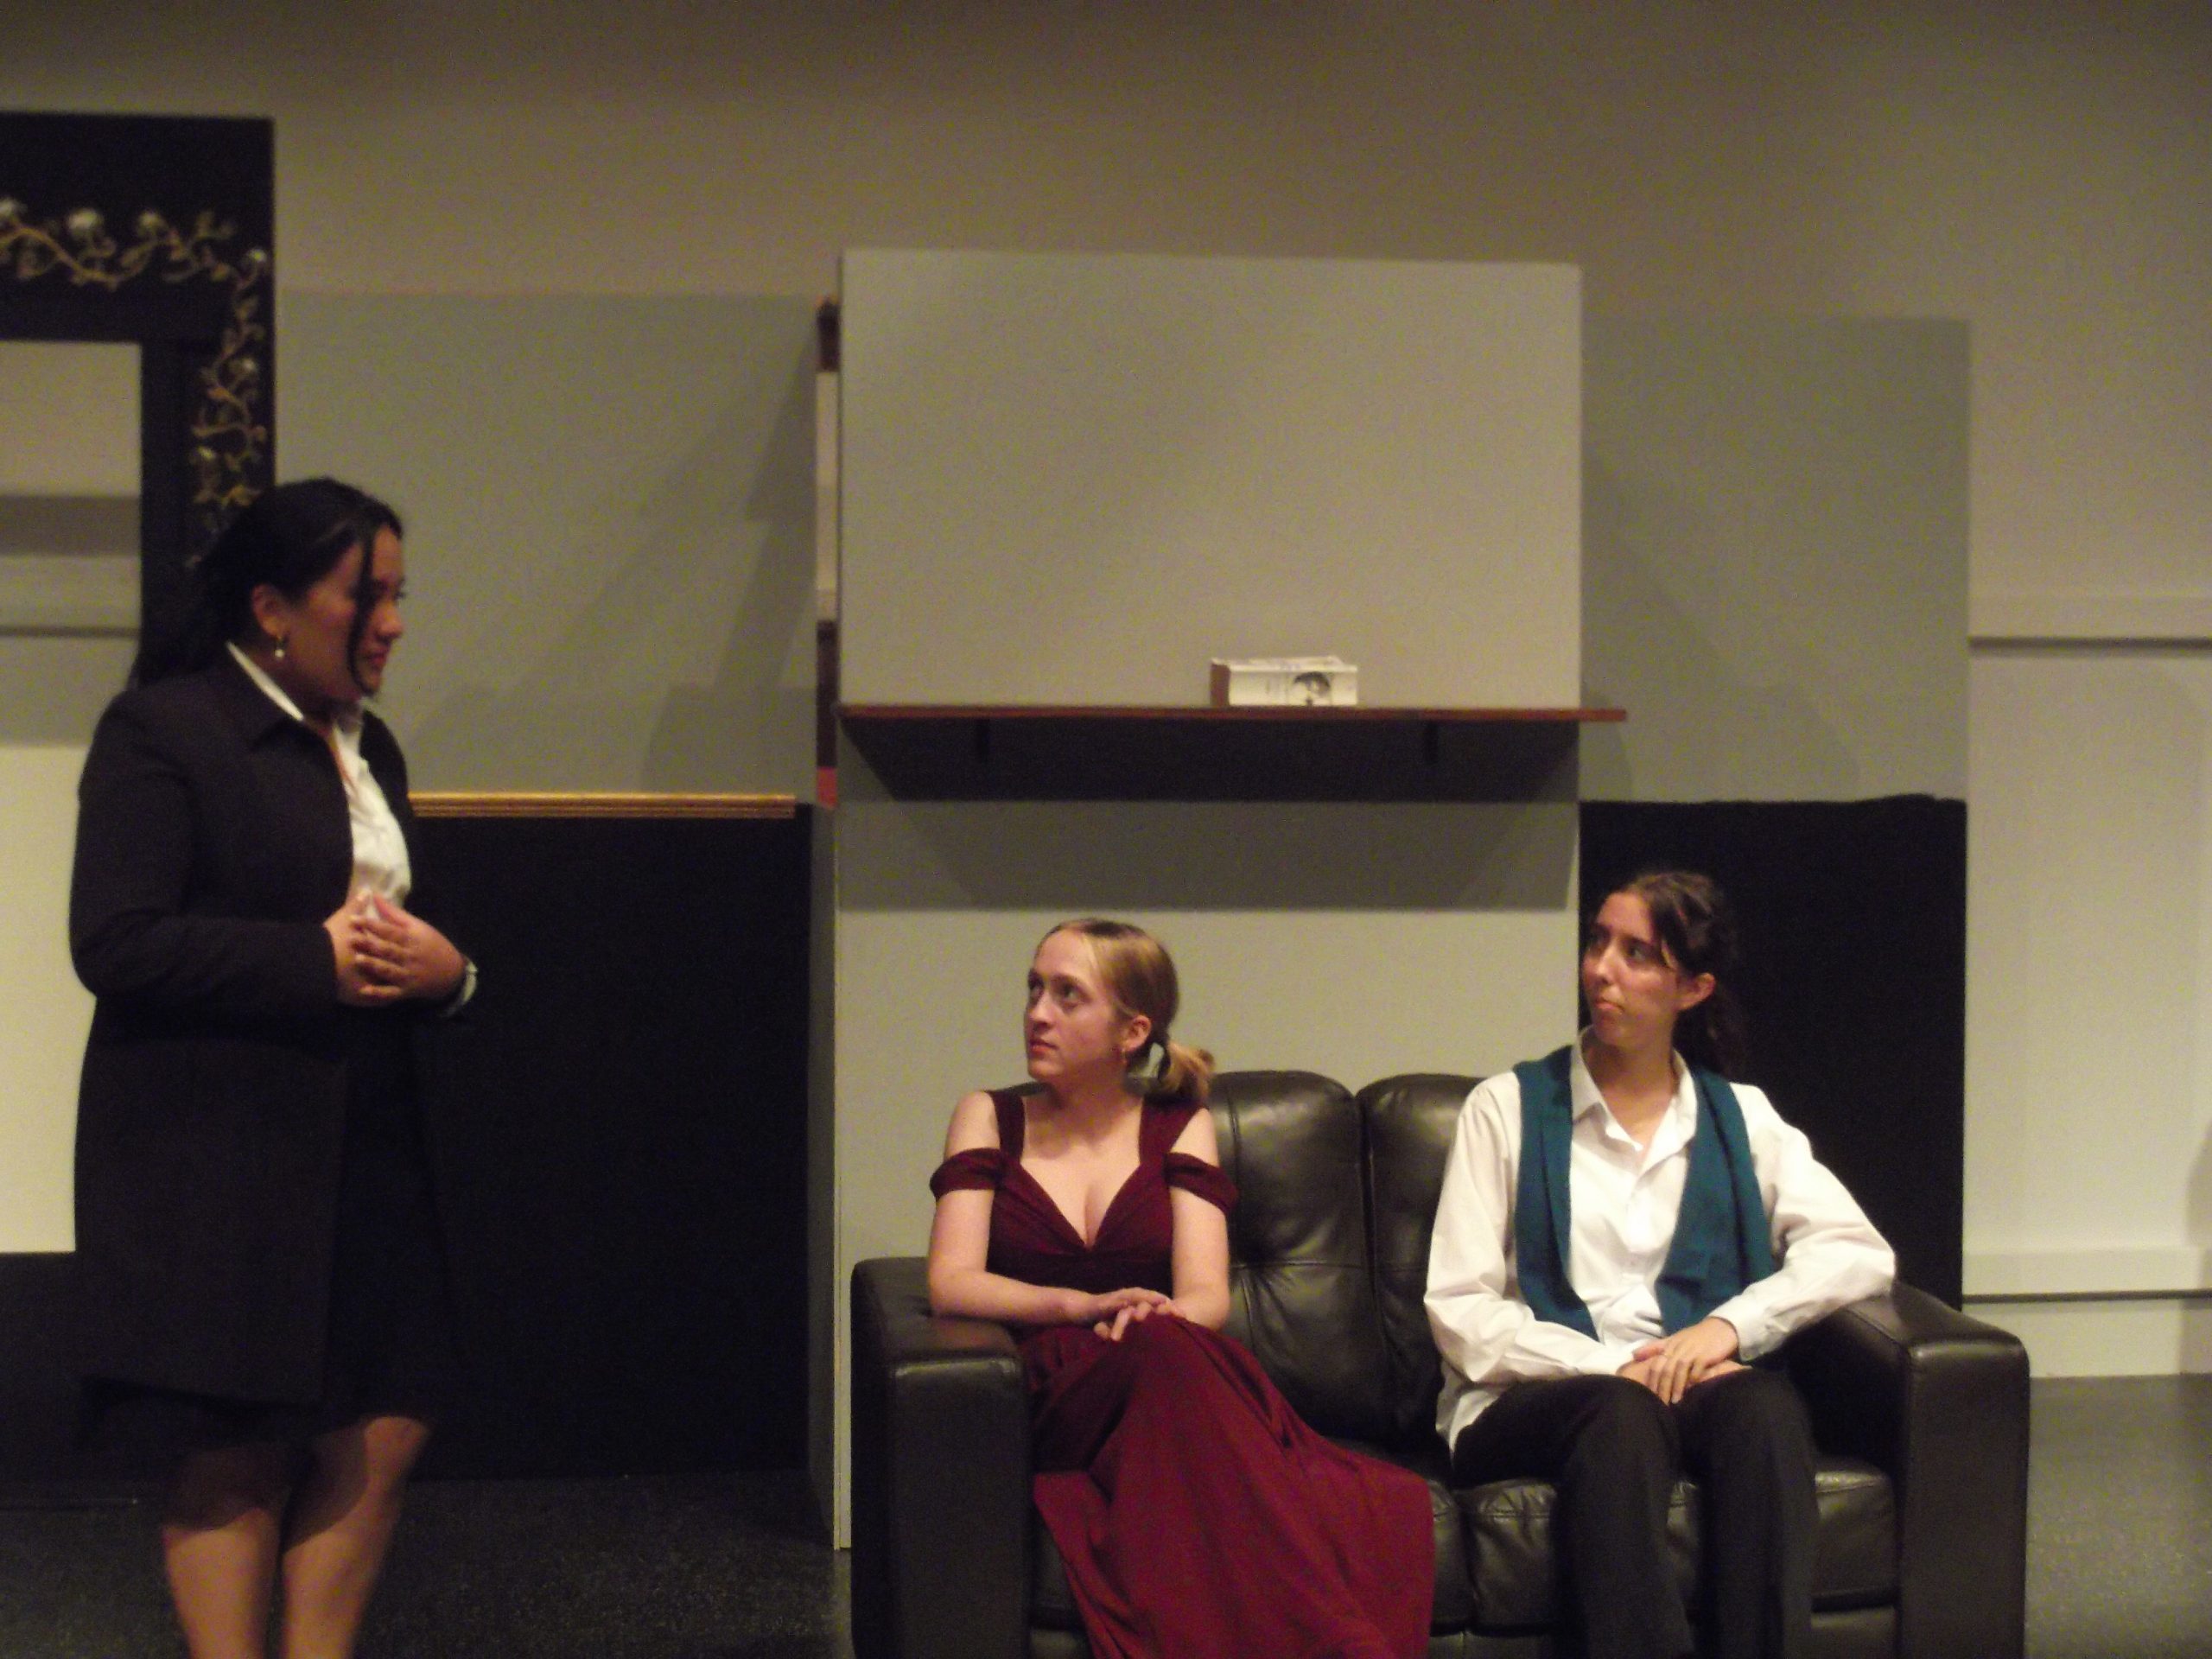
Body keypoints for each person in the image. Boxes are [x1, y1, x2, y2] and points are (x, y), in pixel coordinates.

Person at [70, 478, 474, 1659]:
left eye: (398, 594)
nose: (392, 623)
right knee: (234, 1446)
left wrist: (452, 974)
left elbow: (390, 933)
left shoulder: (370, 743)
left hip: (366, 1134)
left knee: (388, 1418)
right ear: (271, 608)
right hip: (217, 1145)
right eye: (366, 596)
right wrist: (309, 961)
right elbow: (114, 942)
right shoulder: (166, 729)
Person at [925, 918, 1433, 1659]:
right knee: (1172, 1356)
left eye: (1068, 995)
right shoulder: (990, 1116)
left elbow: (1205, 1297)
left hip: (1158, 1363)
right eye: (1034, 989)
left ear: (1132, 1031)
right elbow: (950, 1282)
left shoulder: (1179, 1124)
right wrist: (1079, 1306)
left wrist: (1146, 1315)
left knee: (1171, 1349)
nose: (1037, 1013)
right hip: (1055, 1381)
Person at [1424, 871, 1894, 1659]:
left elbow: (1856, 1249)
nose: (1601, 969)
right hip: (1533, 1397)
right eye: (1598, 942)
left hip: (1688, 1378)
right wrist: (1616, 1368)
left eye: (1637, 954)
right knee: (1620, 1414)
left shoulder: (1740, 1116)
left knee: (1766, 1410)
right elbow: (1461, 1310)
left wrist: (1728, 1328)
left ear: (1693, 989)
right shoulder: (1505, 1108)